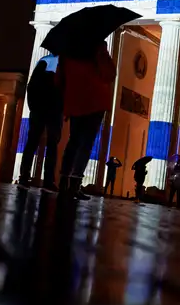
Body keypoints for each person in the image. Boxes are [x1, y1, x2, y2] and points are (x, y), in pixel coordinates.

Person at [55, 41, 115, 200]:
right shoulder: (99, 49)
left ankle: (64, 181)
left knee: (73, 141)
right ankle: (74, 184)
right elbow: (110, 74)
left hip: (76, 100)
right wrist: (102, 53)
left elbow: (59, 79)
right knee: (86, 144)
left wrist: (64, 100)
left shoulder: (67, 50)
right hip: (95, 102)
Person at [19, 54, 62, 191]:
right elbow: (32, 86)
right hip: (47, 109)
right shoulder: (50, 62)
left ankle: (27, 177)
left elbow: (31, 86)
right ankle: (40, 179)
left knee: (37, 142)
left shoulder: (46, 61)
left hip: (46, 109)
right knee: (47, 144)